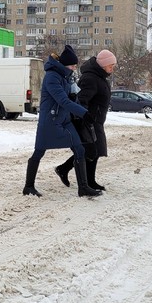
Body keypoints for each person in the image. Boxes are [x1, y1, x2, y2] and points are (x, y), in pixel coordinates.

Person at [23, 45, 102, 198]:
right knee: (39, 152)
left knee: (79, 149)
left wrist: (78, 103)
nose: (74, 67)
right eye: (72, 65)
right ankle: (28, 186)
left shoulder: (65, 76)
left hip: (64, 121)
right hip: (50, 122)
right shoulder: (52, 77)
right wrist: (84, 114)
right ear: (65, 64)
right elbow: (63, 101)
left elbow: (71, 98)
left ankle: (83, 187)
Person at [54, 49, 116, 191]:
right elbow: (81, 100)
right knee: (91, 151)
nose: (112, 68)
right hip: (90, 121)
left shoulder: (100, 77)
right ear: (102, 64)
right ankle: (84, 180)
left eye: (113, 65)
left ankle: (68, 171)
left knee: (95, 151)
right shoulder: (91, 78)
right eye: (110, 65)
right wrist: (84, 117)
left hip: (97, 120)